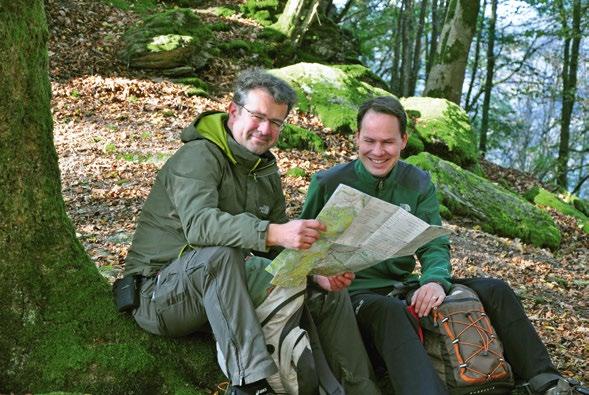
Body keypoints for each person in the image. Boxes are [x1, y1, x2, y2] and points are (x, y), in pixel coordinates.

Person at [300, 96, 584, 395]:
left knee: (495, 289)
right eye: (369, 140)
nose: (378, 151)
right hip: (354, 295)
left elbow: (434, 242)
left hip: (401, 284)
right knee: (389, 312)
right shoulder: (328, 183)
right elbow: (301, 252)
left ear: (404, 140)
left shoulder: (417, 181)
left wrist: (434, 281)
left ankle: (547, 382)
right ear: (356, 137)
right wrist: (319, 275)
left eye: (388, 142)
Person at [123, 68, 379, 395]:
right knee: (219, 256)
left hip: (227, 296)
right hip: (160, 293)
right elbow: (201, 226)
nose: (265, 129)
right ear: (233, 111)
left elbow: (274, 254)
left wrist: (315, 274)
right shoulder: (199, 155)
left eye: (276, 122)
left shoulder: (264, 171)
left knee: (329, 291)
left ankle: (361, 389)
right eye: (257, 116)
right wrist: (273, 232)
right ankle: (249, 385)